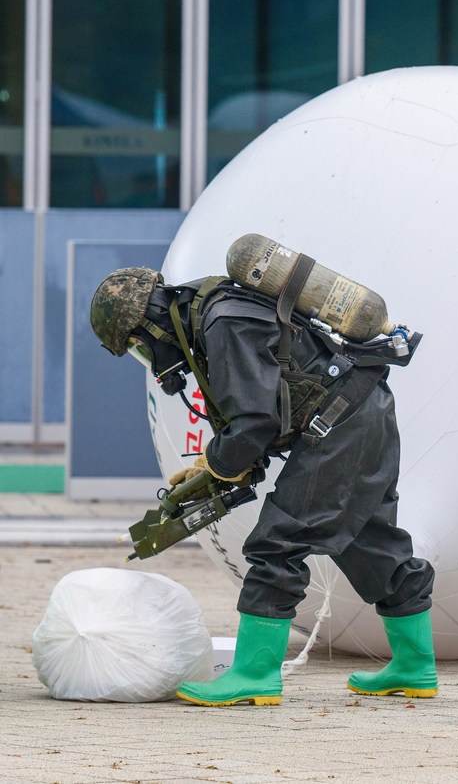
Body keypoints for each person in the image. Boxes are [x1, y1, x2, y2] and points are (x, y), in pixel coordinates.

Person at [90, 264, 437, 707]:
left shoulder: (223, 323)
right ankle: (415, 666)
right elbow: (268, 401)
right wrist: (213, 466)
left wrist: (218, 463)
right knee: (370, 542)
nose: (152, 359)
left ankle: (255, 674)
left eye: (140, 346)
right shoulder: (220, 308)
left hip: (341, 423)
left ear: (152, 324)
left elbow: (255, 420)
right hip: (363, 411)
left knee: (278, 543)